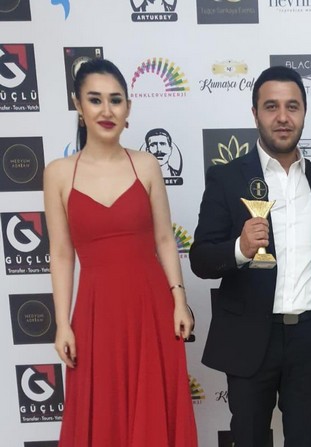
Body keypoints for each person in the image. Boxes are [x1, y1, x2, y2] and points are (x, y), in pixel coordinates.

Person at [43, 58, 197, 447]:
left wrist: (179, 301)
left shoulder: (146, 165)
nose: (107, 110)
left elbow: (165, 239)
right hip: (95, 316)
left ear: (128, 108)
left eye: (115, 100)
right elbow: (61, 254)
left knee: (153, 412)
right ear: (78, 106)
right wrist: (62, 323)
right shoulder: (58, 173)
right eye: (95, 100)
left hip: (151, 310)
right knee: (104, 413)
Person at [189, 66, 311, 447]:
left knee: (304, 440)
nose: (283, 117)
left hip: (308, 336)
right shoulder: (227, 178)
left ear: (304, 112)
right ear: (255, 113)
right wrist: (239, 249)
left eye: (292, 106)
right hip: (248, 336)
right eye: (271, 106)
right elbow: (201, 258)